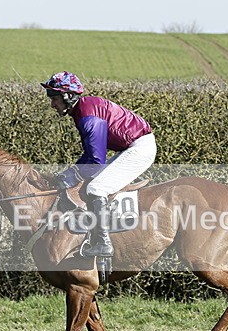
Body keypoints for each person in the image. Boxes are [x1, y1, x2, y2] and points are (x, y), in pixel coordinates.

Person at [41, 71, 157, 258]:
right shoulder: (82, 110)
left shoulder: (87, 115)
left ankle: (103, 243)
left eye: (55, 99)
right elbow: (90, 156)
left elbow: (96, 161)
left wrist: (71, 176)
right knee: (89, 184)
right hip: (130, 147)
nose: (52, 105)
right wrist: (68, 174)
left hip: (139, 148)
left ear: (68, 96)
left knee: (96, 188)